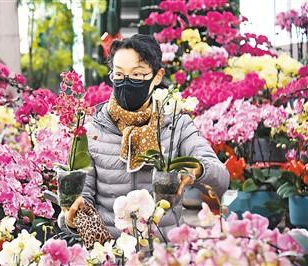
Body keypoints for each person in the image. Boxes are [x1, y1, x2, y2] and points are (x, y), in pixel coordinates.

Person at [61, 34, 230, 239]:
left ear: (157, 76)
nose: (126, 82)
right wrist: (73, 215)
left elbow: (221, 178)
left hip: (164, 251)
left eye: (138, 75)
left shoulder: (175, 126)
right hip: (112, 252)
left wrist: (197, 169)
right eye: (119, 74)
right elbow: (80, 199)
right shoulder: (93, 131)